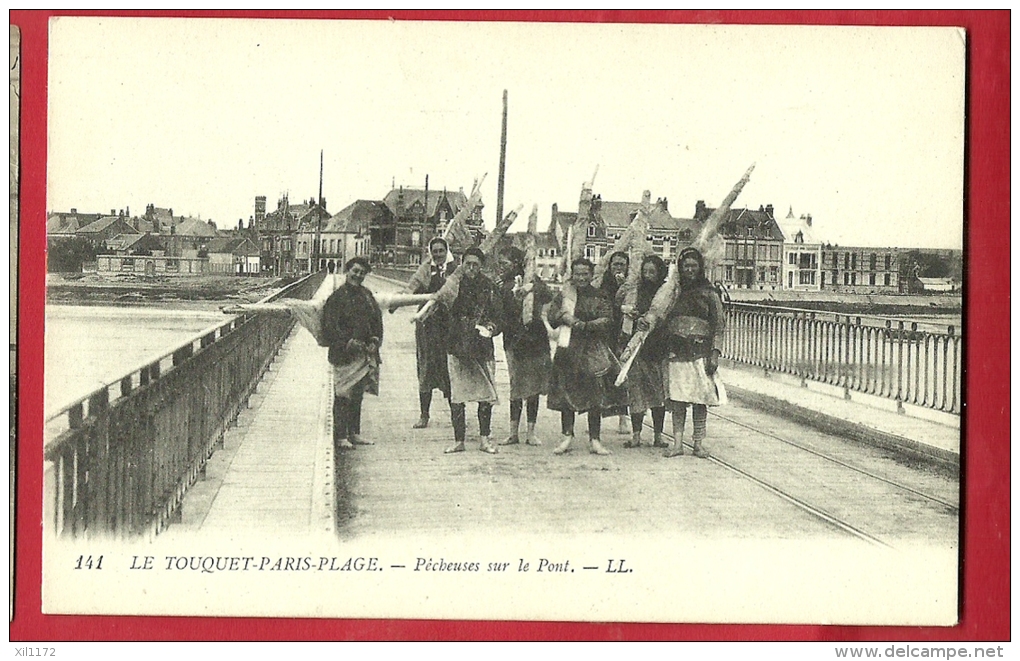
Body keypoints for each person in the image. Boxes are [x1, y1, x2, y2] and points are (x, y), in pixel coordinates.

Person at [653, 247, 726, 458]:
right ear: (680, 268)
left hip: (700, 353)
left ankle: (698, 444)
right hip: (676, 352)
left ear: (700, 268)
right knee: (678, 399)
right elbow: (661, 316)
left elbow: (719, 326)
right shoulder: (673, 292)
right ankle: (677, 444)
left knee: (700, 399)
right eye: (686, 266)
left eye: (694, 266)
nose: (690, 270)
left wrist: (715, 353)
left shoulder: (710, 294)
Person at [547, 258, 615, 456]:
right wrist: (563, 317)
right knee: (566, 394)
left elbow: (607, 319)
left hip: (591, 350)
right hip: (568, 349)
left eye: (585, 274)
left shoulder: (600, 295)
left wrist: (582, 325)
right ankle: (567, 436)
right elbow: (552, 317)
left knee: (594, 396)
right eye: (578, 274)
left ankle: (595, 439)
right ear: (572, 275)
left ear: (592, 275)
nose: (582, 278)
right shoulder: (564, 295)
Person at [321, 257, 383, 451]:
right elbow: (329, 326)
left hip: (363, 353)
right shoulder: (337, 297)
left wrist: (374, 340)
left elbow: (377, 321)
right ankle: (340, 436)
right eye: (355, 271)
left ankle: (354, 433)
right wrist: (346, 342)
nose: (358, 275)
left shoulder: (367, 295)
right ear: (347, 271)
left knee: (357, 395)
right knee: (342, 395)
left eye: (362, 273)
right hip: (345, 354)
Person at [444, 247, 501, 455]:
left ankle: (484, 439)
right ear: (462, 263)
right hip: (457, 346)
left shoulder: (488, 287)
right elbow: (443, 311)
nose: (471, 268)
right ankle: (459, 440)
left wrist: (491, 328)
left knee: (485, 396)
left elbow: (498, 315)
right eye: (467, 264)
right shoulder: (453, 284)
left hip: (482, 347)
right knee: (457, 396)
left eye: (475, 264)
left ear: (481, 266)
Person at [495, 247, 552, 447]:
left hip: (535, 339)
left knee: (534, 387)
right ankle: (513, 432)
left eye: (505, 264)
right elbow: (498, 310)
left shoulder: (533, 281)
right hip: (513, 340)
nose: (501, 268)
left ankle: (531, 432)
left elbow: (548, 295)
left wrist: (531, 286)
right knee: (516, 386)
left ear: (517, 263)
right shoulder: (502, 286)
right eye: (500, 264)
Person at [623, 254, 670, 448]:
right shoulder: (636, 291)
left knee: (657, 394)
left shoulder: (666, 292)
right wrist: (633, 316)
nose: (648, 275)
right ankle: (636, 435)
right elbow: (624, 311)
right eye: (645, 271)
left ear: (660, 273)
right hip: (637, 348)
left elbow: (668, 316)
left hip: (657, 346)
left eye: (652, 271)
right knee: (636, 392)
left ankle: (658, 435)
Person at [408, 237, 456, 429]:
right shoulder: (425, 271)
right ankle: (424, 415)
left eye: (440, 251)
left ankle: (455, 415)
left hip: (448, 327)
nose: (437, 254)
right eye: (434, 251)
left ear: (446, 251)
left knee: (450, 370)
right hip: (427, 326)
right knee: (426, 367)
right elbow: (412, 289)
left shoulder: (455, 270)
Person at [599, 250, 631, 434]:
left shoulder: (631, 286)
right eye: (615, 264)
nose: (618, 268)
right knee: (601, 375)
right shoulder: (603, 284)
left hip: (622, 334)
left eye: (622, 264)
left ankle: (623, 419)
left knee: (622, 375)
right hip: (605, 333)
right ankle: (597, 418)